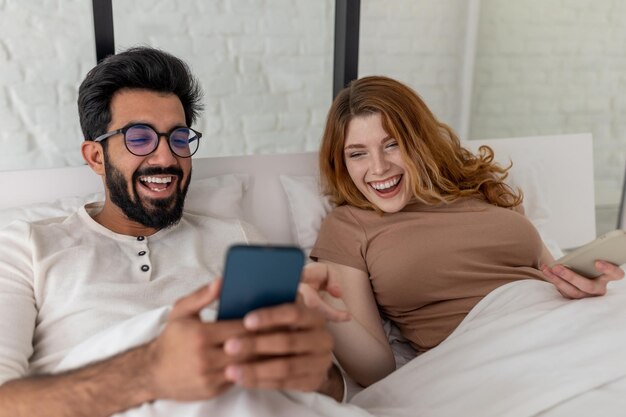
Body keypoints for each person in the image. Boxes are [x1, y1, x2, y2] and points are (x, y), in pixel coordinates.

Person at [0, 46, 347, 416]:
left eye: (178, 138)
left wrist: (313, 371)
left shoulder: (239, 238)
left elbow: (332, 390)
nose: (166, 158)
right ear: (96, 157)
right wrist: (148, 373)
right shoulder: (26, 248)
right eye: (139, 138)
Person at [310, 75, 625, 387]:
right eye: (357, 153)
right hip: (488, 355)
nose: (378, 168)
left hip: (569, 321)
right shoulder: (348, 226)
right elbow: (376, 369)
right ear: (341, 161)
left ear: (419, 141)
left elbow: (552, 274)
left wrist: (584, 288)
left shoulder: (482, 187)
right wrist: (316, 302)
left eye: (392, 145)